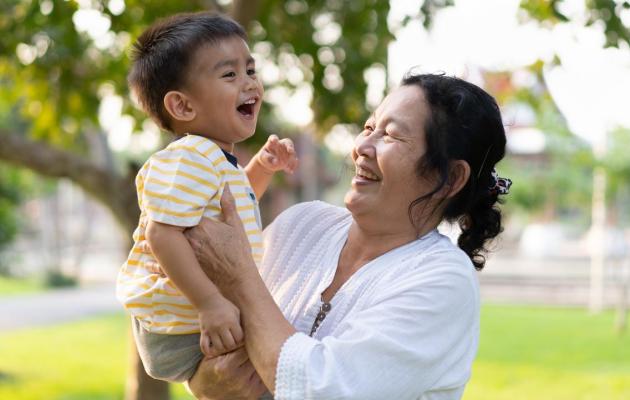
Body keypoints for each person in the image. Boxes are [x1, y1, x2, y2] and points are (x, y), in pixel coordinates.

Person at [145, 73, 512, 399]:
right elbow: (208, 346)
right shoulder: (302, 224)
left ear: (449, 178)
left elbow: (324, 389)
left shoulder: (442, 281)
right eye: (369, 128)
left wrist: (240, 276)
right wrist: (205, 384)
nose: (362, 147)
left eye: (392, 135)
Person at [115, 12, 298, 384]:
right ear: (182, 106)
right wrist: (210, 304)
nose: (249, 83)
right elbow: (161, 234)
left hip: (190, 320)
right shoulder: (189, 157)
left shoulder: (212, 159)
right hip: (182, 327)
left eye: (250, 70)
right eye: (229, 75)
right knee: (281, 370)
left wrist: (261, 168)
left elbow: (230, 205)